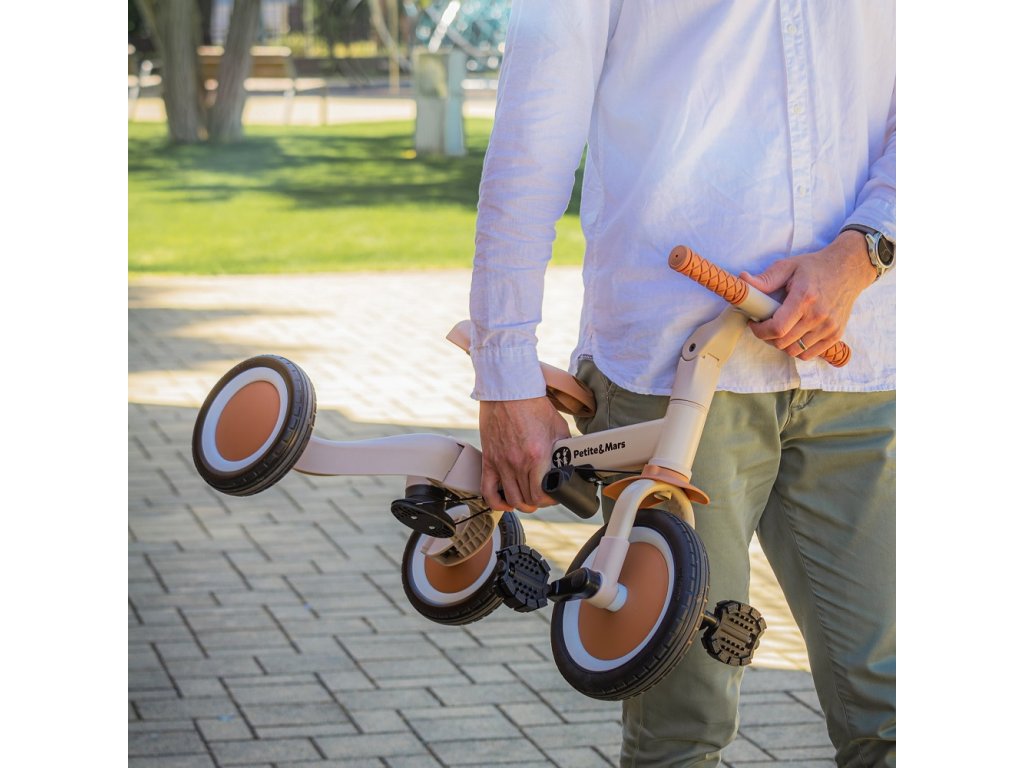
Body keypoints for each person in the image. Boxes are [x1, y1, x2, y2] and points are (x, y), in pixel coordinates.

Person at [467, 2, 895, 767]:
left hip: (863, 361)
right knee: (681, 725)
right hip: (669, 369)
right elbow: (533, 130)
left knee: (900, 712)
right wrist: (506, 379)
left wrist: (861, 253)